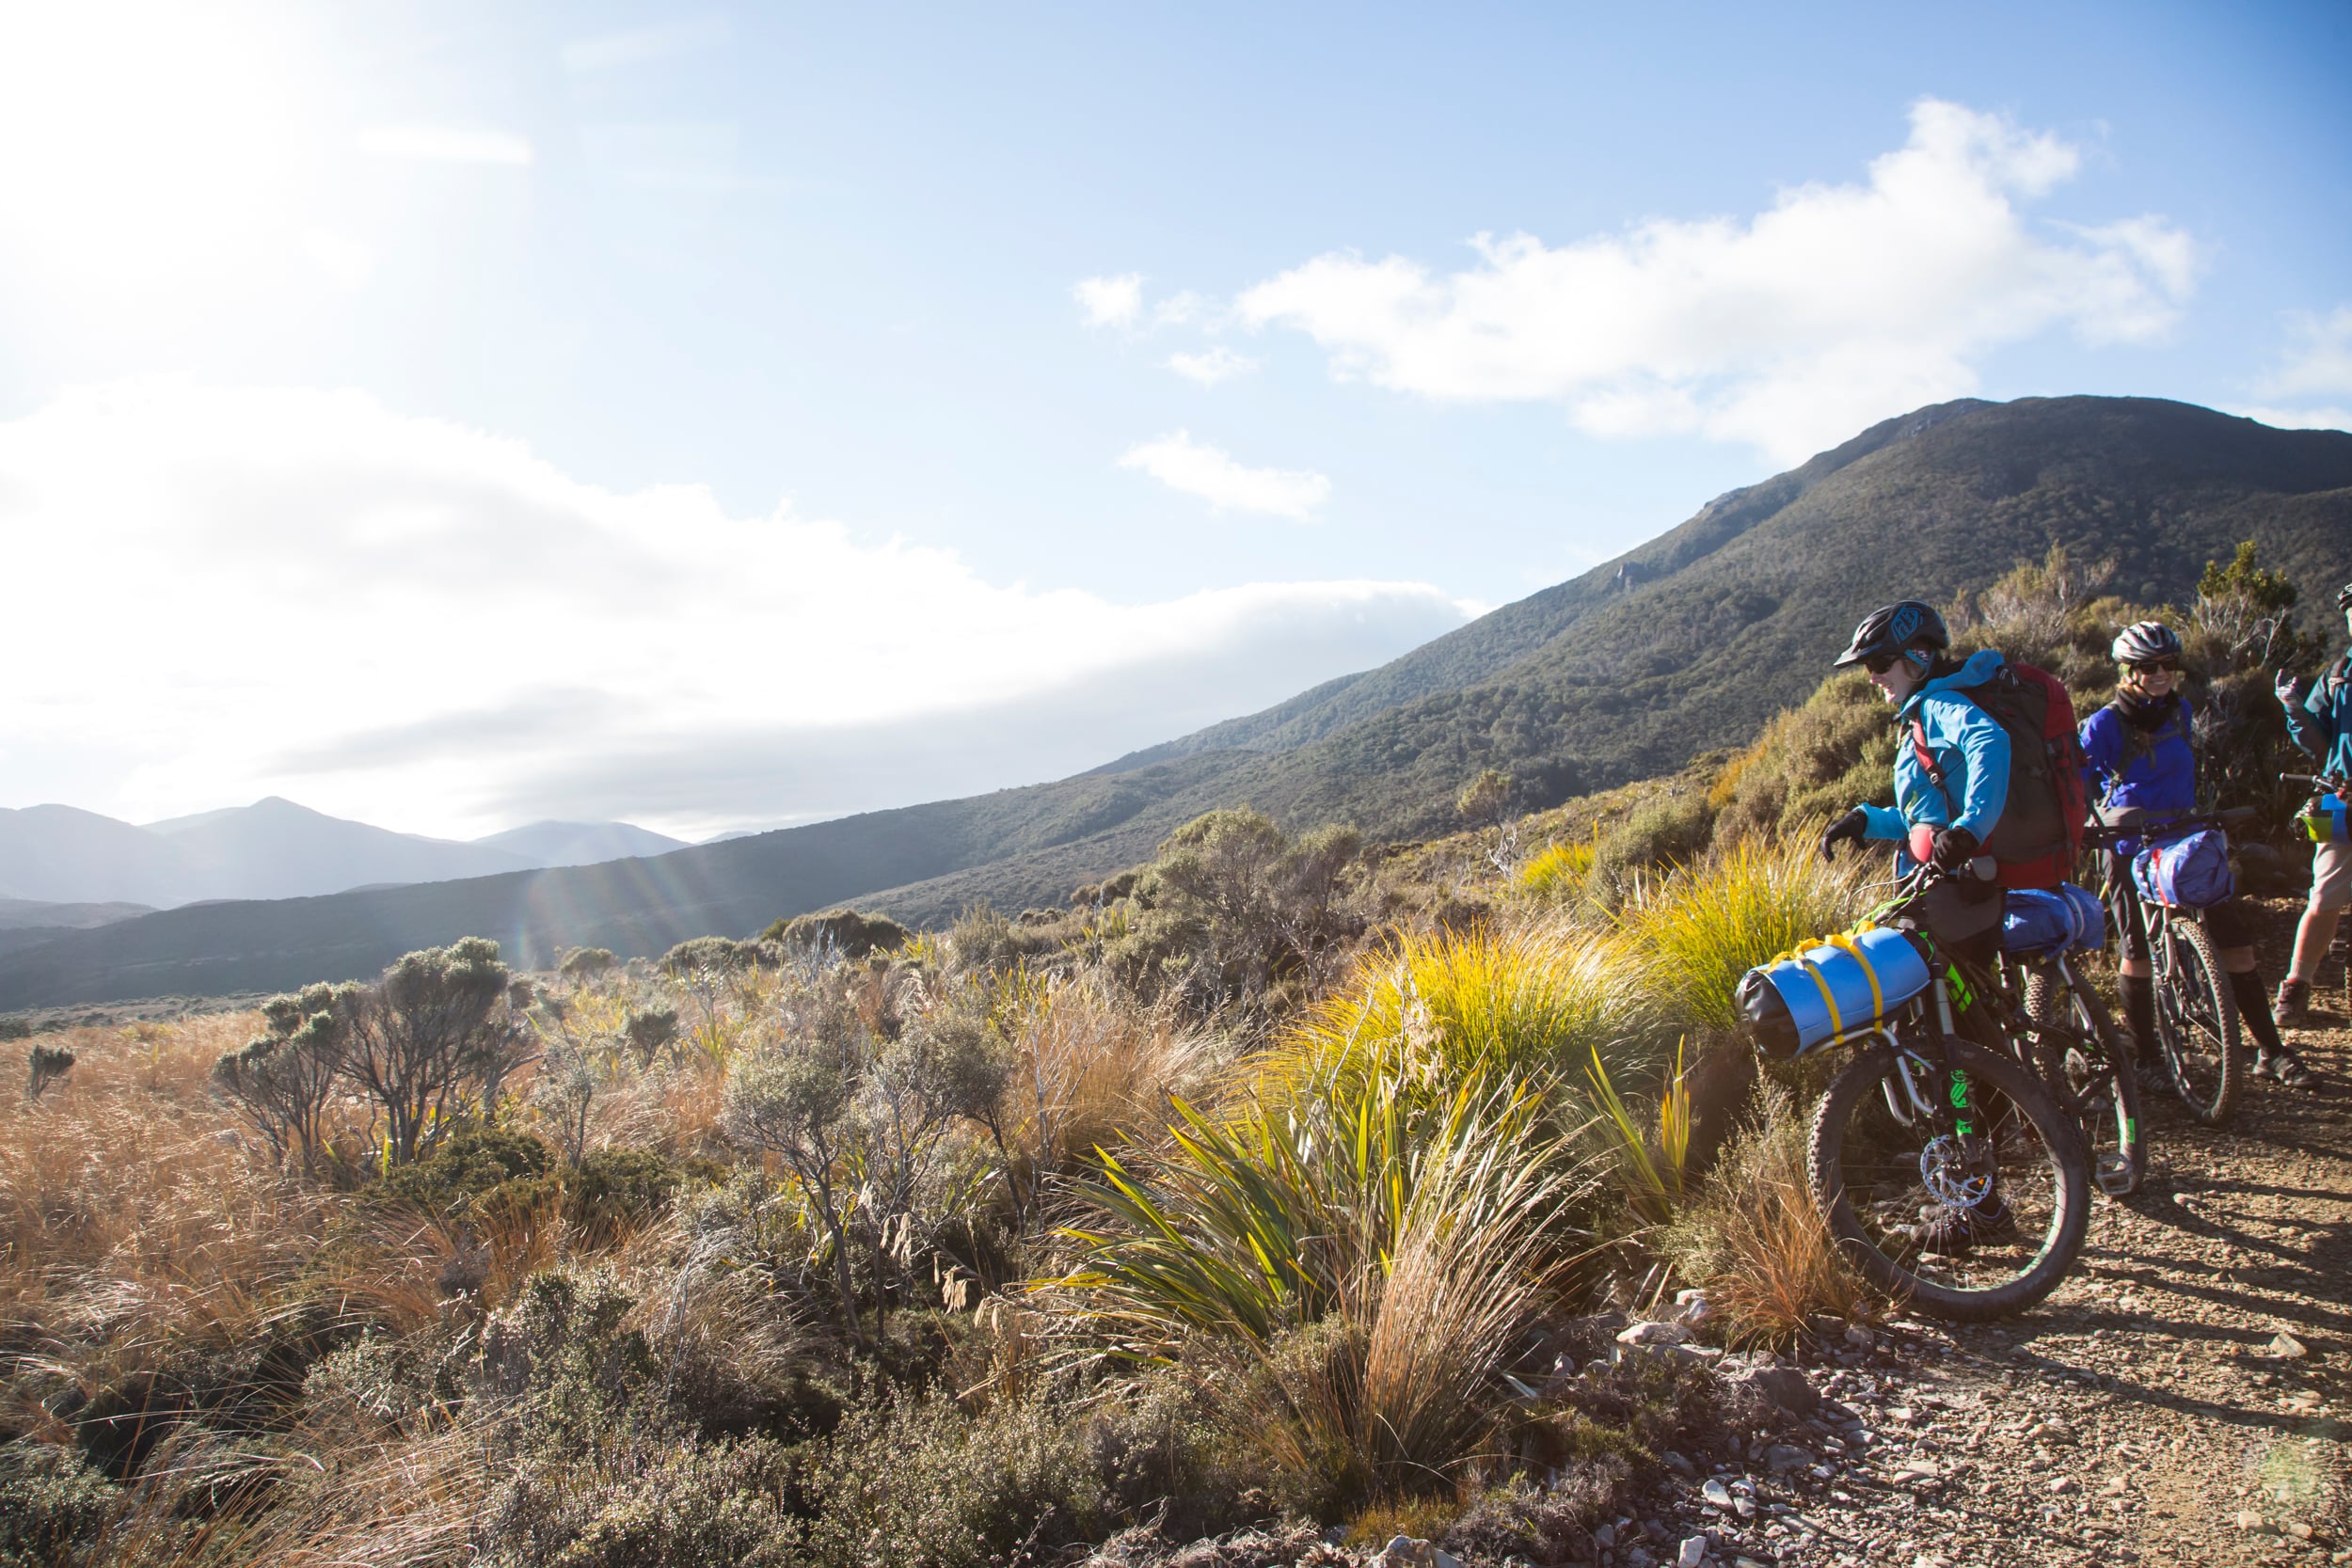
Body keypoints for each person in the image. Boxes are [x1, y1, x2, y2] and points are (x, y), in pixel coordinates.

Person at [1818, 599, 2014, 1253]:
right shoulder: (1919, 719)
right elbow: (1922, 817)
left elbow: (1992, 743)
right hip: (1943, 886)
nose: (1871, 676)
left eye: (1878, 663)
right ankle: (1994, 1154)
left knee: (1943, 1037)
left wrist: (1969, 829)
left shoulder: (1942, 708)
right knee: (1953, 1030)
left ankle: (1980, 1201)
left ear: (1918, 656)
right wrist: (1867, 820)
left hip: (1954, 894)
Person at [2081, 620, 2312, 1090]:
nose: (2161, 673)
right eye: (2149, 666)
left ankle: (2270, 1051)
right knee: (2138, 953)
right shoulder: (2105, 724)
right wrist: (2087, 828)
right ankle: (2147, 1057)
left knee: (2237, 947)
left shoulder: (2180, 712)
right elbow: (2079, 788)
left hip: (2184, 838)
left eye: (2169, 664)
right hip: (2129, 845)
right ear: (2128, 671)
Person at [2274, 580, 2352, 1026]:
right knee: (2322, 897)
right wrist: (2295, 710)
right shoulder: (2339, 672)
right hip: (2338, 797)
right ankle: (2295, 987)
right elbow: (2319, 746)